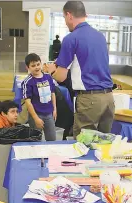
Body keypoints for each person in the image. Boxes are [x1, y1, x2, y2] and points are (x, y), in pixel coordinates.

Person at [47, 1, 115, 138]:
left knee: (82, 145)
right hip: (108, 98)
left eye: (64, 18)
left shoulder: (71, 38)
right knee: (102, 145)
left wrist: (51, 71)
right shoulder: (100, 37)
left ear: (69, 15)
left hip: (89, 100)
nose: (65, 22)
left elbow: (60, 77)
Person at [22, 53, 57, 141]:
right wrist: (35, 118)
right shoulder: (27, 82)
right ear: (28, 67)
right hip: (36, 115)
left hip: (49, 114)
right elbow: (28, 102)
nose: (37, 67)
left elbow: (52, 93)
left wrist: (55, 109)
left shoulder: (48, 77)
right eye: (33, 66)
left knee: (52, 140)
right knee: (36, 141)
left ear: (41, 63)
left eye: (38, 64)